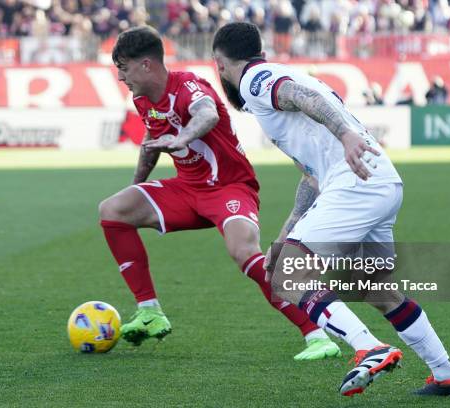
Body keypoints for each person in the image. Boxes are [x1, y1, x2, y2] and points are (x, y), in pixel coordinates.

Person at [212, 22, 450, 397]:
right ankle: (448, 376)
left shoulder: (256, 79)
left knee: (288, 275)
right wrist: (286, 233)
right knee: (375, 289)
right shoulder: (277, 73)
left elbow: (301, 97)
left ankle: (369, 347)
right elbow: (311, 177)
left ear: (220, 63)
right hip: (378, 182)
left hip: (356, 183)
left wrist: (346, 135)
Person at [99, 26, 342, 361]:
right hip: (187, 188)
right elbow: (151, 143)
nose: (121, 77)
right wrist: (136, 185)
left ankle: (315, 333)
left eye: (123, 68)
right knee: (112, 210)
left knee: (244, 251)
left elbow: (207, 114)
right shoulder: (142, 99)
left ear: (146, 65)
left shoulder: (189, 87)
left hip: (230, 186)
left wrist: (183, 138)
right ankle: (150, 311)